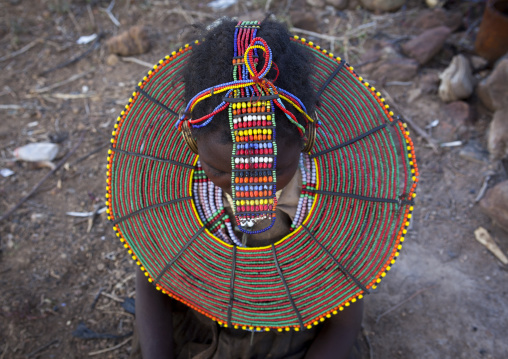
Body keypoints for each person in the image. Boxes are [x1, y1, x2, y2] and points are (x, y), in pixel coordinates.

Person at [106, 16, 417, 359]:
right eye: (220, 170)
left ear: (306, 139)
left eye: (276, 169)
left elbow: (343, 327)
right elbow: (152, 277)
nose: (246, 188)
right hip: (198, 327)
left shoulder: (341, 215)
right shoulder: (166, 192)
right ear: (191, 142)